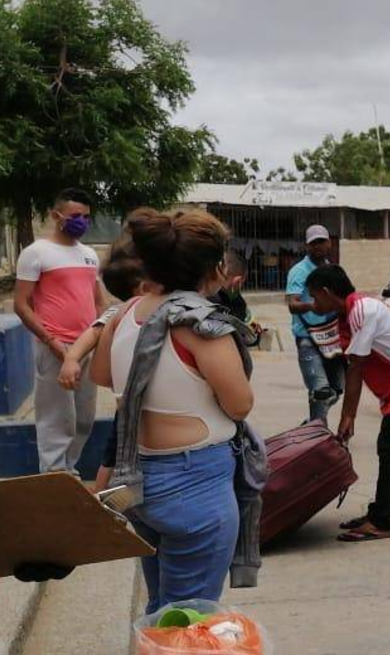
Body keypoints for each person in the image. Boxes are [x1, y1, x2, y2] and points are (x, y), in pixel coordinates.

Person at [90, 208, 252, 614]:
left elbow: (101, 374)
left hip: (138, 479)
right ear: (214, 267)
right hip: (195, 483)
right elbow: (240, 404)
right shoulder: (201, 325)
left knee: (163, 606)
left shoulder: (127, 312)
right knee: (187, 618)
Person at [307, 264, 390, 543]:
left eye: (314, 297)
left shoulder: (361, 311)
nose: (313, 303)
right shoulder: (350, 313)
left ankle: (381, 521)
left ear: (327, 292)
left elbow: (356, 366)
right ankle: (378, 512)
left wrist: (348, 416)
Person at [14, 187, 107, 474]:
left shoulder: (89, 255)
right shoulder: (36, 253)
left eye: (86, 217)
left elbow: (99, 301)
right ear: (56, 216)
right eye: (75, 216)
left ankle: (69, 471)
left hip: (86, 347)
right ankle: (54, 476)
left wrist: (99, 337)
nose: (82, 222)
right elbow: (21, 304)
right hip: (54, 347)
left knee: (84, 418)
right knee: (56, 420)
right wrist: (50, 340)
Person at [57, 245, 149, 493]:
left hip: (138, 400)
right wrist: (71, 358)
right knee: (114, 452)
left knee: (116, 452)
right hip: (131, 401)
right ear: (142, 287)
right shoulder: (120, 312)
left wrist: (72, 359)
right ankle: (100, 499)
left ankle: (103, 497)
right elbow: (93, 332)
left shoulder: (156, 309)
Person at [286, 225, 346, 423]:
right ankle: (318, 431)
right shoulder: (299, 271)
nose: (318, 246)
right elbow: (292, 304)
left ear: (329, 243)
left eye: (321, 241)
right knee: (320, 390)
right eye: (313, 243)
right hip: (307, 337)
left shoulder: (333, 271)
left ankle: (312, 425)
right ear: (307, 246)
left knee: (336, 389)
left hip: (332, 337)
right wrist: (314, 306)